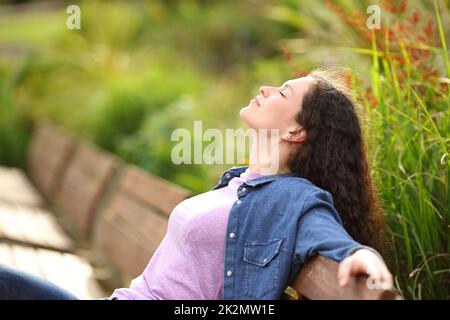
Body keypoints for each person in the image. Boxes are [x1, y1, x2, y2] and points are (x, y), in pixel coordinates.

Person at [0, 69, 393, 300]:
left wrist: (365, 260)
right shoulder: (239, 182)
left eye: (282, 92)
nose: (265, 89)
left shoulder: (294, 198)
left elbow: (337, 242)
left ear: (296, 130)